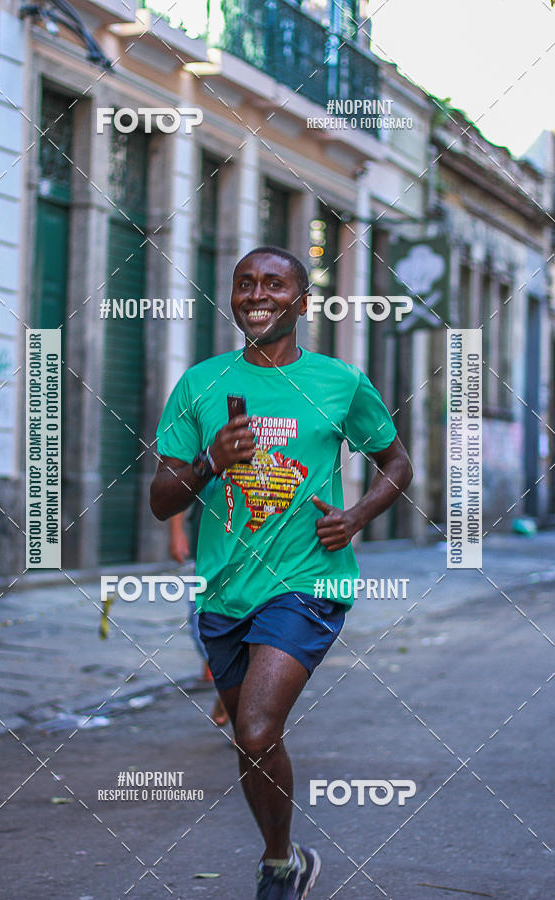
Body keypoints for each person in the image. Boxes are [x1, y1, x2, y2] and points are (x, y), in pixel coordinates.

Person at [150, 246, 413, 899]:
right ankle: (285, 857)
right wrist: (211, 459)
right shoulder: (201, 384)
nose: (257, 294)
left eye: (273, 283)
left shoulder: (340, 382)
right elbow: (161, 501)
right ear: (232, 297)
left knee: (259, 726)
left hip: (309, 582)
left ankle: (272, 874)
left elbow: (397, 463)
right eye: (245, 283)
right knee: (251, 742)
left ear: (302, 301)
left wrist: (355, 518)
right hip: (224, 589)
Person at [168, 512, 228, 725]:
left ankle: (241, 708)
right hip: (209, 552)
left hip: (260, 554)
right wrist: (176, 530)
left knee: (257, 630)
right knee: (201, 627)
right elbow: (181, 479)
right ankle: (229, 689)